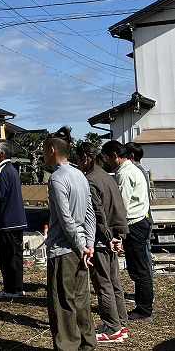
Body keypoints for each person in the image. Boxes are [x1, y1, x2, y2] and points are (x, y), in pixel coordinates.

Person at [44, 127, 96, 351]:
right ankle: (87, 342)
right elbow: (90, 213)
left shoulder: (57, 178)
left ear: (53, 150)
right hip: (82, 248)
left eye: (44, 151)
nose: (43, 156)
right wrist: (89, 244)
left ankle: (67, 346)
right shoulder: (79, 175)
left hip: (63, 249)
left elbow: (66, 220)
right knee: (81, 298)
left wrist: (79, 245)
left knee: (62, 301)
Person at [76, 141, 130, 343]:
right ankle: (120, 324)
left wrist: (107, 237)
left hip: (101, 240)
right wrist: (119, 236)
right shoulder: (107, 176)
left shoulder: (90, 180)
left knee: (103, 284)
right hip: (114, 235)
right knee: (114, 283)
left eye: (77, 159)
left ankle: (112, 326)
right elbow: (119, 206)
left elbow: (97, 214)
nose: (77, 163)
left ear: (85, 157)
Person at [101, 140, 154, 321]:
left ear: (115, 155)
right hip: (140, 221)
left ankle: (144, 308)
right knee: (139, 267)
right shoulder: (132, 169)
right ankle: (142, 303)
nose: (107, 162)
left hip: (135, 224)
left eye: (107, 158)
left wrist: (117, 233)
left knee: (139, 268)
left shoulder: (124, 174)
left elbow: (120, 206)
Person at [0, 142, 27, 299]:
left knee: (7, 257)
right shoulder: (13, 170)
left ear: (2, 155)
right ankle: (18, 287)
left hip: (8, 221)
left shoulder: (3, 171)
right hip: (18, 219)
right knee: (17, 255)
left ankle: (10, 289)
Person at [125, 141, 154, 278]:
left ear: (131, 155)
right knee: (143, 255)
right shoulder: (141, 171)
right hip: (145, 216)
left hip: (141, 218)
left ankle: (147, 290)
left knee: (143, 257)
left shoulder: (136, 172)